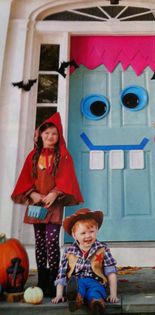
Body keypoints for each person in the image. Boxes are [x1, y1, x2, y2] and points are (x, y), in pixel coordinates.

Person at [11, 112, 84, 297]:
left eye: (54, 134)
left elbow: (67, 179)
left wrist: (55, 193)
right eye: (47, 134)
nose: (50, 137)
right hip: (37, 205)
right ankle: (42, 280)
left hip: (54, 205)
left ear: (59, 136)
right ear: (40, 135)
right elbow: (26, 179)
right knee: (40, 242)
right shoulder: (33, 156)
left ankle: (54, 279)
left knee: (52, 241)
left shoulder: (63, 156)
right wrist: (32, 194)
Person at [51, 208, 118, 315]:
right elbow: (62, 274)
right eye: (83, 233)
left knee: (95, 292)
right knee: (77, 290)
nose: (88, 236)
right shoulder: (69, 252)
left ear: (97, 230)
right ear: (74, 235)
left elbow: (111, 272)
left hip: (96, 282)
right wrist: (59, 294)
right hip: (77, 282)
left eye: (92, 231)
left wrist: (113, 294)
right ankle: (75, 300)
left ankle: (96, 305)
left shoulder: (102, 248)